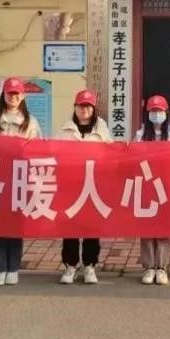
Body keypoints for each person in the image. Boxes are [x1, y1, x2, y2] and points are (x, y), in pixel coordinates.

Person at [0, 77, 43, 286]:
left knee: (16, 225)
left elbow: (38, 149)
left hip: (20, 178)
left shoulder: (31, 122)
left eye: (17, 93)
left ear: (23, 96)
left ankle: (13, 268)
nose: (13, 97)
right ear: (4, 94)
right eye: (10, 93)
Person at [59, 89, 111, 285]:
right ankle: (71, 265)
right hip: (71, 185)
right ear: (75, 107)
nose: (84, 109)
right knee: (70, 227)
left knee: (91, 227)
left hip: (93, 185)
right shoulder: (65, 131)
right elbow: (54, 153)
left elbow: (112, 155)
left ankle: (89, 265)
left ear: (94, 108)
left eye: (88, 106)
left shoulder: (102, 131)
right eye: (81, 106)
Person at [134, 95, 170, 286]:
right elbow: (133, 159)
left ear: (166, 112)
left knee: (162, 227)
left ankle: (161, 267)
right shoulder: (140, 135)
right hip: (146, 185)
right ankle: (148, 267)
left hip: (165, 186)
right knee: (146, 227)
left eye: (159, 110)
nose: (156, 114)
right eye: (153, 111)